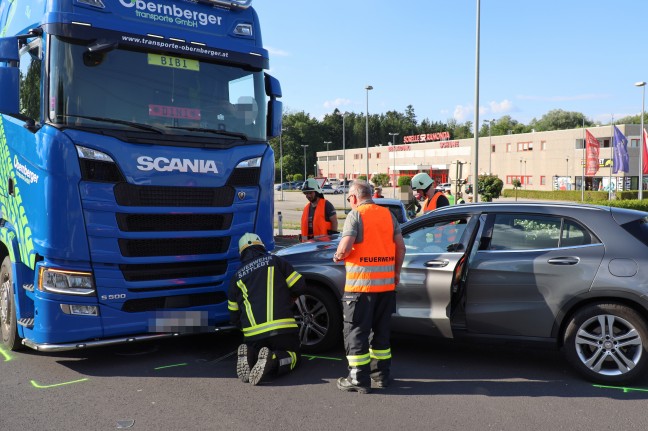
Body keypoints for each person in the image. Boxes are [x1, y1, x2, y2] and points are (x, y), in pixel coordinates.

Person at [332, 181, 406, 393]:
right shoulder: (388, 215)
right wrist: (396, 272)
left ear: (354, 197)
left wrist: (338, 255)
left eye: (348, 198)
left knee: (356, 331)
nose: (349, 202)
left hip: (360, 288)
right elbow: (401, 247)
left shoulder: (356, 215)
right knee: (381, 333)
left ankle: (357, 379)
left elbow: (345, 246)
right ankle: (381, 376)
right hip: (386, 288)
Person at [228, 233, 305, 385]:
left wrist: (245, 329)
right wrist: (291, 297)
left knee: (260, 350)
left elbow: (234, 315)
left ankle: (252, 353)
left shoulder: (236, 277)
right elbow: (300, 285)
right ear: (262, 246)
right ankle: (275, 359)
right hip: (282, 330)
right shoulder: (276, 261)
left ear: (241, 253)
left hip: (252, 335)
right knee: (293, 355)